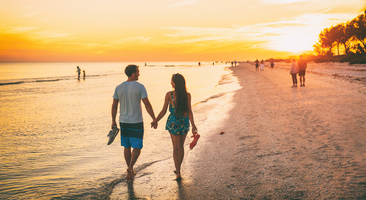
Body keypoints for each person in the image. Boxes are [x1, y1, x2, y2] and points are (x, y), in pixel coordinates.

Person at [111, 64, 156, 180]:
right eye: (137, 72)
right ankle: (130, 167)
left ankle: (129, 170)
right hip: (136, 122)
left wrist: (113, 121)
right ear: (133, 74)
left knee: (127, 146)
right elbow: (147, 104)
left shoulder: (118, 87)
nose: (139, 74)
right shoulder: (140, 87)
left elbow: (114, 106)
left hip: (123, 122)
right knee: (137, 147)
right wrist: (154, 118)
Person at [152, 73, 198, 180]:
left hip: (174, 123)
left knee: (175, 148)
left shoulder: (169, 95)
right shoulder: (187, 95)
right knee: (181, 147)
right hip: (184, 122)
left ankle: (177, 171)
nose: (170, 83)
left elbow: (163, 111)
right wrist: (193, 125)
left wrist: (155, 120)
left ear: (175, 83)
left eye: (171, 81)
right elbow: (189, 111)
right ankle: (179, 170)